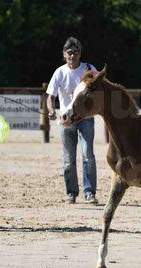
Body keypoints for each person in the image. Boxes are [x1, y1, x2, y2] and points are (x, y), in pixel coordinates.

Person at [47, 37, 98, 204]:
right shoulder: (59, 72)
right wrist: (51, 110)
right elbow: (50, 97)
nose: (72, 56)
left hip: (86, 118)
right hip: (66, 120)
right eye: (69, 53)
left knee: (87, 155)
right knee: (69, 158)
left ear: (80, 54)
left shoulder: (89, 69)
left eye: (76, 53)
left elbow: (100, 90)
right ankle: (71, 193)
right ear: (64, 54)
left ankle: (89, 192)